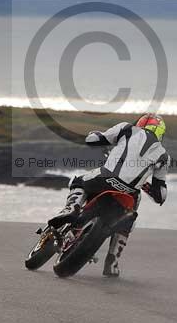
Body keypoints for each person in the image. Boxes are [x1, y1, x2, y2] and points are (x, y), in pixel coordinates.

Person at [48, 113, 169, 277]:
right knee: (127, 221)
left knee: (78, 181)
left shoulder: (127, 128)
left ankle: (71, 208)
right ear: (160, 132)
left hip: (106, 178)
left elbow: (93, 139)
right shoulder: (163, 155)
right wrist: (145, 185)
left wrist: (93, 134)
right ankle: (112, 262)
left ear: (140, 124)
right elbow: (160, 195)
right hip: (129, 194)